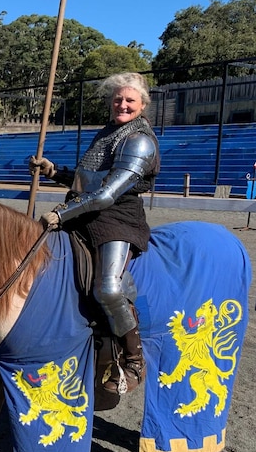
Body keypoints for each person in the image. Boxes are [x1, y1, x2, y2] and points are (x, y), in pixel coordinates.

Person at [30, 72, 160, 395]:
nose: (123, 104)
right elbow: (88, 182)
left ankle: (133, 360)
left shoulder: (140, 140)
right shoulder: (106, 134)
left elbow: (105, 195)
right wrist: (54, 171)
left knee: (108, 289)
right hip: (87, 213)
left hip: (117, 218)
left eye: (130, 100)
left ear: (142, 105)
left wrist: (60, 213)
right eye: (118, 99)